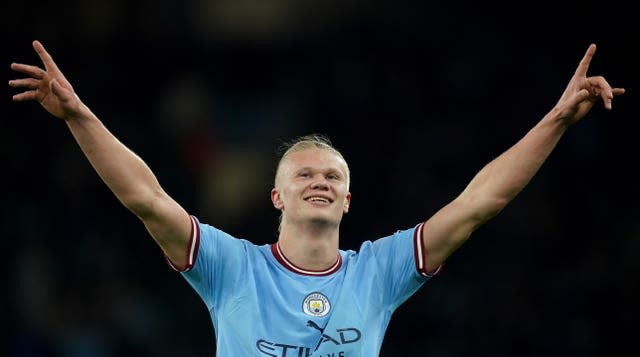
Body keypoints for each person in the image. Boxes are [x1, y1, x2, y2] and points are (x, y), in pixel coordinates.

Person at [9, 40, 624, 356]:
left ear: (349, 200)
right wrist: (78, 115)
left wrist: (558, 120)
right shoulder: (231, 268)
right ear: (276, 195)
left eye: (332, 175)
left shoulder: (379, 272)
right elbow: (145, 197)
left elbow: (478, 202)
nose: (320, 181)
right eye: (304, 174)